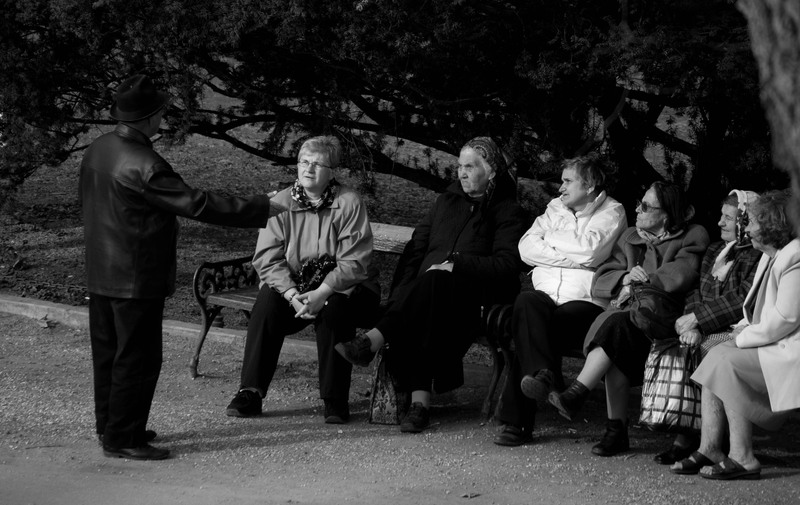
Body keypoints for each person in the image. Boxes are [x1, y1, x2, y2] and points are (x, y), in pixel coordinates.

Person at [81, 75, 279, 461]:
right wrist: (261, 207)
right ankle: (124, 437)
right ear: (150, 117)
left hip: (101, 270)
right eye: (161, 111)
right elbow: (195, 203)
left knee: (108, 354)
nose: (164, 117)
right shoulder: (145, 164)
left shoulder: (98, 149)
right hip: (136, 277)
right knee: (137, 358)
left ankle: (111, 425)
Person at [335, 137, 528, 433]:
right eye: (459, 166)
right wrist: (400, 293)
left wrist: (457, 264)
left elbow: (506, 265)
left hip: (476, 298)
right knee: (425, 300)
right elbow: (415, 250)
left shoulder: (507, 211)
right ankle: (419, 406)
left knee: (432, 287)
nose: (462, 173)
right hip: (427, 293)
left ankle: (373, 343)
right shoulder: (445, 202)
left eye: (470, 167)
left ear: (491, 172)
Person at [225, 135, 380, 424]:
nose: (308, 169)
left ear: (332, 171)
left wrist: (323, 292)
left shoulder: (348, 202)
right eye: (304, 162)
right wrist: (291, 294)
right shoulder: (280, 203)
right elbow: (267, 258)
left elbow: (354, 261)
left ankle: (335, 399)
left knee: (334, 307)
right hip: (295, 290)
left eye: (317, 164)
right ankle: (250, 392)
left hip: (342, 288)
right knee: (267, 300)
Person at [548, 181, 709, 456]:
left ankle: (587, 403)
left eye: (645, 206)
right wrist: (624, 277)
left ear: (666, 215)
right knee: (617, 336)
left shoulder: (693, 235)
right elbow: (602, 279)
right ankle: (610, 427)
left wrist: (644, 280)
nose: (637, 210)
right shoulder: (630, 237)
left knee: (616, 329)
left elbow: (681, 274)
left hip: (665, 320)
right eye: (638, 203)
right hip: (629, 320)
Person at [492, 154, 627, 446]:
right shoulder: (555, 207)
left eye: (567, 181)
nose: (560, 188)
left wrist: (550, 238)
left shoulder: (612, 211)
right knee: (526, 303)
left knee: (532, 331)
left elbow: (591, 252)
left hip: (585, 302)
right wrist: (573, 257)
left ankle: (518, 422)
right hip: (545, 296)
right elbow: (526, 248)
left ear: (589, 185)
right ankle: (543, 374)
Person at [670, 190, 800, 480]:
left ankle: (743, 457)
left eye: (750, 222)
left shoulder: (795, 256)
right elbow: (756, 309)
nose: (746, 228)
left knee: (728, 361)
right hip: (774, 341)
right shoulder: (772, 256)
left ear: (771, 225)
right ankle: (710, 448)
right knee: (717, 354)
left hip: (789, 349)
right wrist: (742, 329)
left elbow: (785, 319)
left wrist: (741, 337)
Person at [652, 190, 762, 465]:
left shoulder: (758, 255)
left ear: (745, 221)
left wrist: (699, 320)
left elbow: (743, 298)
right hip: (704, 325)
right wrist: (692, 323)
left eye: (728, 218)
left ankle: (698, 439)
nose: (720, 223)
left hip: (737, 327)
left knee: (708, 350)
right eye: (721, 216)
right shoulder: (715, 250)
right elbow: (695, 291)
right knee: (676, 346)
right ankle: (687, 428)